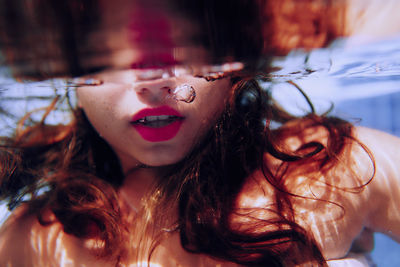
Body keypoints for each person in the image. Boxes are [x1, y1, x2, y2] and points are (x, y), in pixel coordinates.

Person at [0, 0, 398, 266]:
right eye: (103, 50)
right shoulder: (36, 239)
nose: (152, 82)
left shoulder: (332, 171)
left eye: (190, 40)